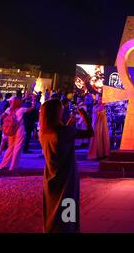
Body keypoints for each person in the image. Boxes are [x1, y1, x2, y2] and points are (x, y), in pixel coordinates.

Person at [39, 98, 93, 232]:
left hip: (51, 175)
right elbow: (89, 133)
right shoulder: (63, 132)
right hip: (66, 176)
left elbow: (61, 138)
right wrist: (86, 118)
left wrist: (68, 123)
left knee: (52, 208)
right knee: (68, 205)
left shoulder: (43, 132)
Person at [0, 95, 37, 171]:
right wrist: (33, 100)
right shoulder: (21, 109)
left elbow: (2, 117)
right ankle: (13, 166)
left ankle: (3, 165)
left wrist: (8, 121)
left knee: (10, 148)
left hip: (11, 130)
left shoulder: (8, 109)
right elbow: (32, 108)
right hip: (19, 129)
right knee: (17, 148)